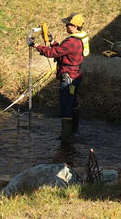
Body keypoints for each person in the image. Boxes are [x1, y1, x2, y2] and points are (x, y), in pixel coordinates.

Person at [30, 13, 89, 144]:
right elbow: (63, 51)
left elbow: (53, 53)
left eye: (67, 24)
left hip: (68, 79)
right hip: (76, 76)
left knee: (66, 106)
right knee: (73, 102)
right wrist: (52, 42)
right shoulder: (80, 38)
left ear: (74, 26)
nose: (65, 26)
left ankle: (66, 139)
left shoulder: (72, 41)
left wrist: (36, 46)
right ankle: (74, 132)